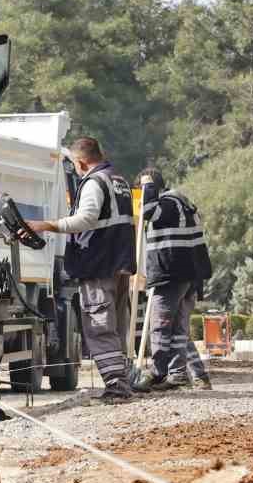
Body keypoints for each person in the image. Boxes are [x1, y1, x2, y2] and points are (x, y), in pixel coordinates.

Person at [28, 137, 136, 403]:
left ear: (80, 162)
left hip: (99, 265)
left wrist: (46, 225)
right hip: (119, 263)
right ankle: (123, 382)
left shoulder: (94, 182)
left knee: (99, 327)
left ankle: (116, 388)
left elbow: (86, 218)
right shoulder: (117, 180)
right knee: (115, 327)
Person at [136, 168, 214, 391]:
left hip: (172, 274)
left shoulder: (167, 205)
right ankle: (182, 374)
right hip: (189, 275)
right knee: (179, 331)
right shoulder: (184, 205)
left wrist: (147, 185)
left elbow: (148, 211)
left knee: (160, 326)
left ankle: (157, 373)